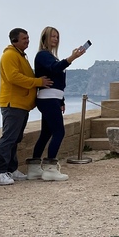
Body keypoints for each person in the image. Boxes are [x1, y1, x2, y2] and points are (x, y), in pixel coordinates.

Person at [0, 28, 52, 185]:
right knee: (9, 138)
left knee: (15, 138)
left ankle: (11, 169)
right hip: (13, 104)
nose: (28, 40)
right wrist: (38, 82)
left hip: (22, 105)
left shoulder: (21, 56)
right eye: (24, 38)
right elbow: (14, 77)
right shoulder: (9, 55)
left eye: (28, 37)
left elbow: (25, 76)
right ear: (14, 40)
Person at [29, 27, 86, 181]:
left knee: (46, 133)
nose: (55, 39)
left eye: (57, 36)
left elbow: (58, 80)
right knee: (59, 132)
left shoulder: (51, 56)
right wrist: (72, 58)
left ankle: (34, 168)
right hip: (47, 99)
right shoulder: (43, 55)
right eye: (52, 36)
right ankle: (50, 169)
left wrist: (61, 100)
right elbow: (55, 68)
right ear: (44, 39)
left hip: (52, 98)